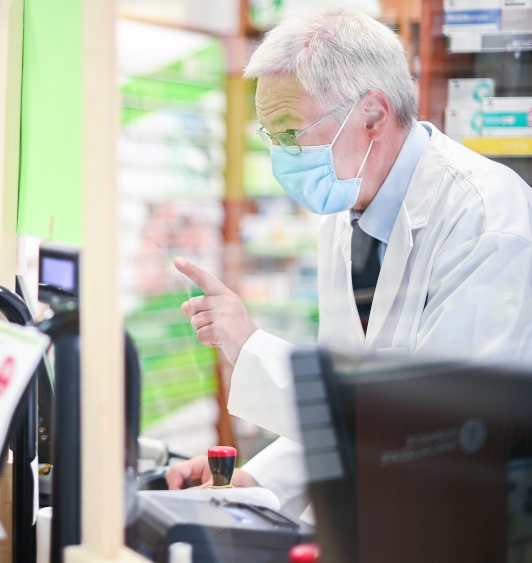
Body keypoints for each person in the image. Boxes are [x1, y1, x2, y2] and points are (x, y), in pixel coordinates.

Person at [166, 8, 532, 516]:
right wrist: (255, 481)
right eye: (270, 138)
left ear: (373, 115)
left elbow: (433, 428)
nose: (281, 158)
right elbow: (351, 403)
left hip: (464, 524)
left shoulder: (485, 220)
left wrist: (252, 347)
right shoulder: (346, 213)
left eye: (291, 134)